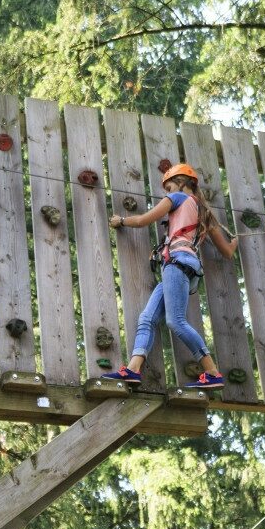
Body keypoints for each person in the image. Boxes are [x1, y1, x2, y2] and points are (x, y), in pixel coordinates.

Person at [103, 163, 238, 390]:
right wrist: (234, 242)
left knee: (176, 321)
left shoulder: (176, 198)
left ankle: (212, 372)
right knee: (147, 318)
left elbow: (144, 219)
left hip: (176, 262)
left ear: (183, 183)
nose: (167, 191)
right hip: (180, 266)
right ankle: (133, 370)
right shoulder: (204, 212)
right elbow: (227, 252)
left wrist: (121, 221)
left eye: (169, 186)